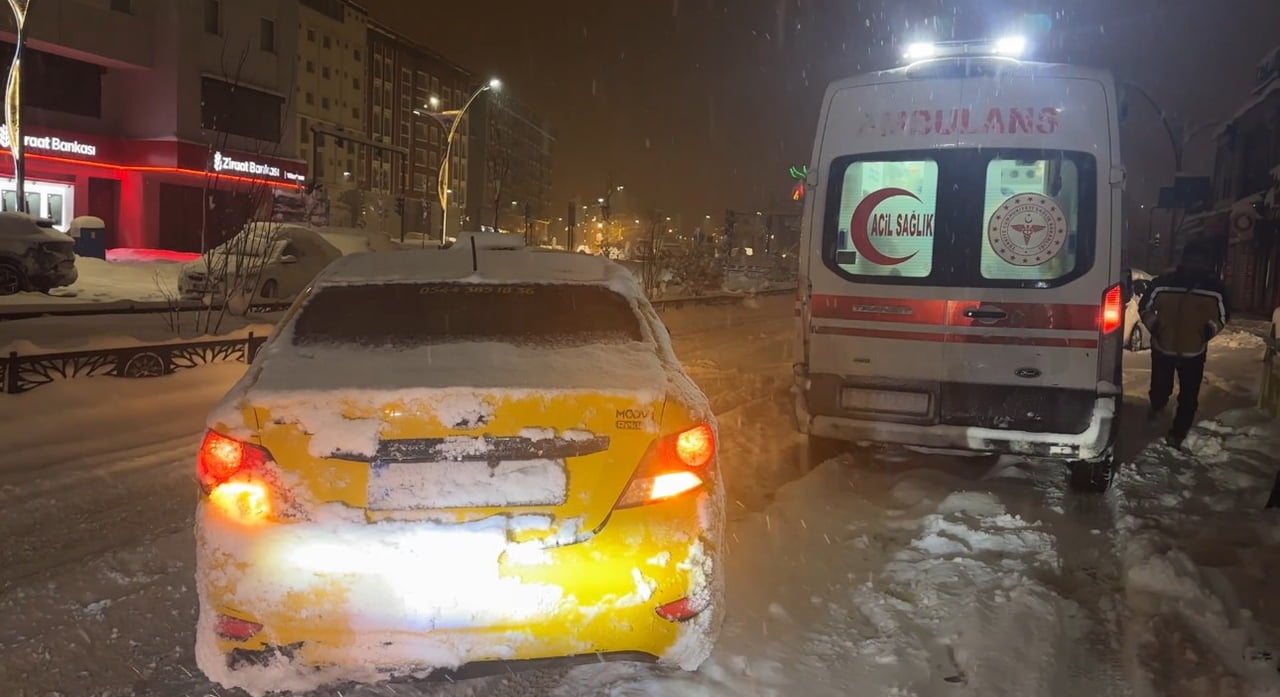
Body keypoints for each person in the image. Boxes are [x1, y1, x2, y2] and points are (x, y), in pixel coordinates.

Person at [1138, 240, 1231, 448]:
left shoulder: (1215, 288)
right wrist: (1155, 327)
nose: (1196, 264)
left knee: (1189, 396)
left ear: (1206, 263)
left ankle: (1178, 433)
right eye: (1192, 259)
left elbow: (1223, 316)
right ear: (1184, 260)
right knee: (1160, 388)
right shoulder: (1163, 283)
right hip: (1163, 346)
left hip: (1194, 351)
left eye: (1200, 261)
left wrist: (1206, 333)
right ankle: (1157, 405)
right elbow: (1145, 306)